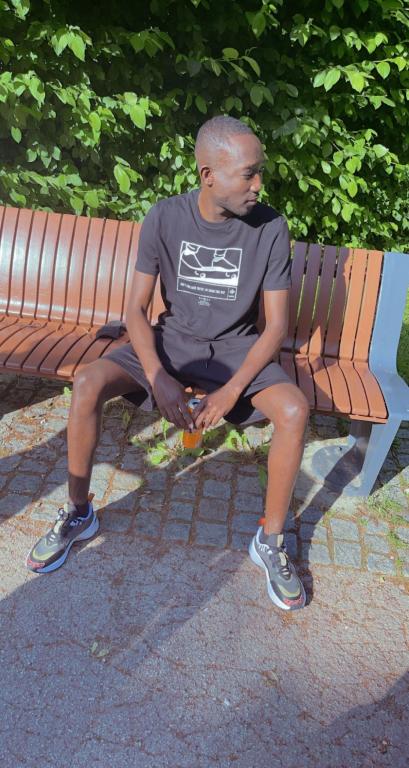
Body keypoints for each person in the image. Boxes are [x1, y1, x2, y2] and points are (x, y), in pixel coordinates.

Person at [26, 116, 309, 611]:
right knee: (88, 380)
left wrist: (230, 391)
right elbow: (135, 310)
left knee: (294, 410)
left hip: (237, 350)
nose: (258, 184)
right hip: (172, 343)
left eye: (259, 172)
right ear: (208, 175)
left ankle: (271, 539)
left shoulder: (270, 228)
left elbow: (276, 327)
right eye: (248, 173)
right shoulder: (165, 217)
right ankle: (78, 512)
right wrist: (157, 377)